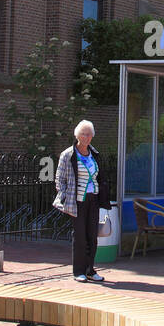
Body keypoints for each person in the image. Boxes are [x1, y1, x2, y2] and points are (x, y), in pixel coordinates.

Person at [54, 120, 105, 283]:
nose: (86, 137)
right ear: (77, 135)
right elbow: (59, 178)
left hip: (93, 198)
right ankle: (79, 271)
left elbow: (98, 175)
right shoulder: (68, 154)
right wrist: (64, 195)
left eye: (89, 134)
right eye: (83, 134)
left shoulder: (94, 153)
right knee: (80, 236)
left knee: (92, 236)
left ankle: (90, 270)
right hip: (77, 200)